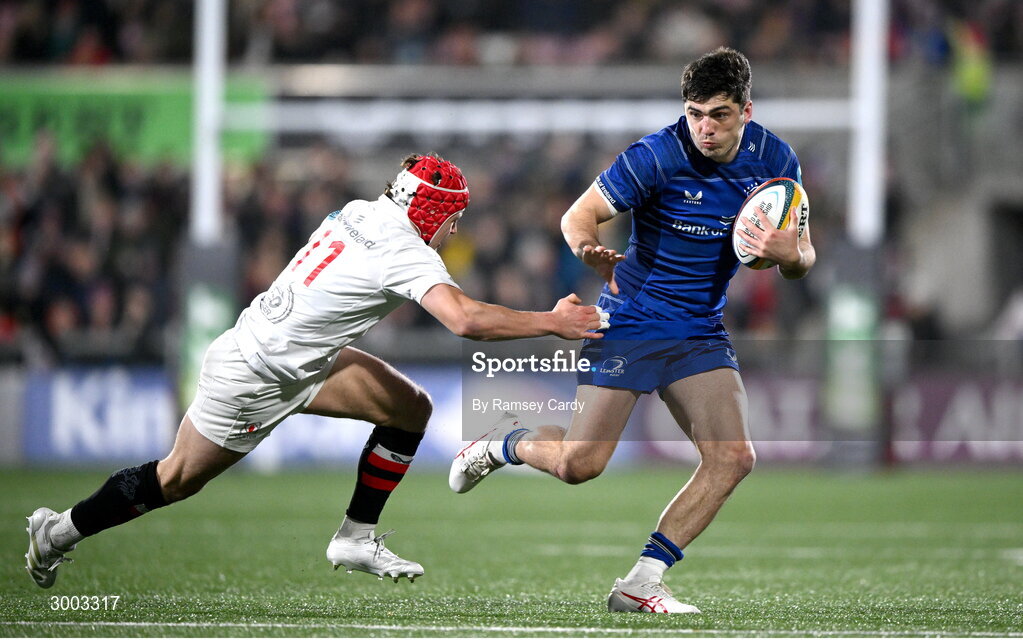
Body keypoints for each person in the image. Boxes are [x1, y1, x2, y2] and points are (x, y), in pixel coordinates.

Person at [25, 153, 608, 589]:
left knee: (411, 409)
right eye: (452, 215)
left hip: (293, 356)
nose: (454, 228)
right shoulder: (404, 247)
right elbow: (464, 321)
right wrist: (552, 322)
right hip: (256, 377)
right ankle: (57, 532)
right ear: (429, 209)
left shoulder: (361, 209)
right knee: (176, 479)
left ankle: (355, 538)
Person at [450, 47, 816, 613]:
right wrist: (586, 248)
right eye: (694, 113)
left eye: (718, 114)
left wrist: (790, 255)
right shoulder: (657, 154)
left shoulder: (777, 161)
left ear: (747, 109)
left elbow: (802, 257)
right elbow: (577, 214)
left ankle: (642, 581)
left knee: (733, 458)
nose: (704, 128)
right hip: (634, 321)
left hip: (699, 329)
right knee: (579, 465)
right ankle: (502, 442)